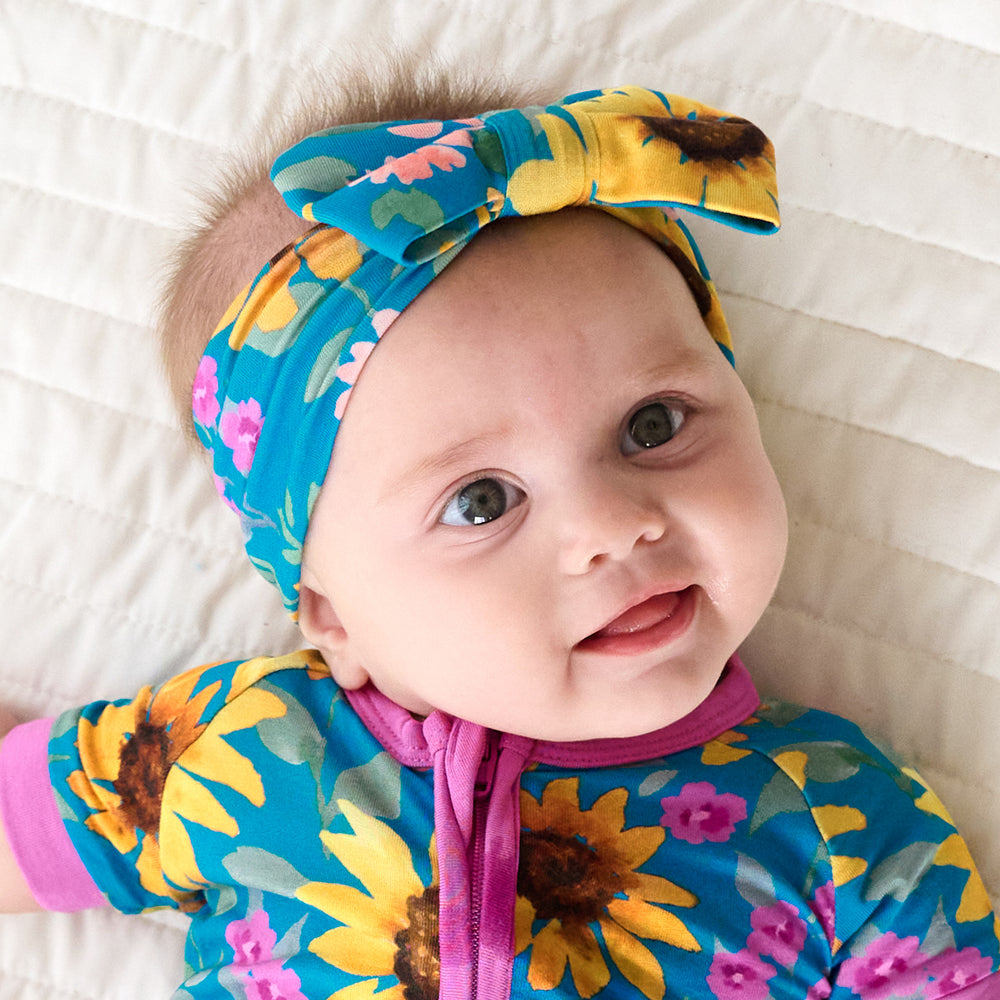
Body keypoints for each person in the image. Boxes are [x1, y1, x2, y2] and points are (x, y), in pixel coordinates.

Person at [0, 67, 997, 1000]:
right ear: (327, 611)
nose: (612, 528)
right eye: (481, 500)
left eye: (653, 426)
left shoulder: (839, 820)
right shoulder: (237, 749)